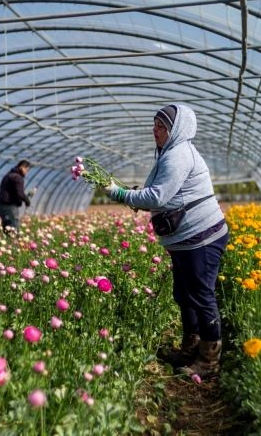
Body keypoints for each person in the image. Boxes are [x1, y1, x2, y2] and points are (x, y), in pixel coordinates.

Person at [106, 104, 229, 378]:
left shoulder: (178, 156)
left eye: (161, 126)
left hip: (202, 238)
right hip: (186, 239)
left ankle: (209, 361)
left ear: (176, 130)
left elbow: (157, 197)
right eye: (154, 125)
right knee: (184, 294)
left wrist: (120, 194)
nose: (155, 131)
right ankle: (191, 347)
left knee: (200, 295)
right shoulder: (168, 154)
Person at [0, 160, 35, 234]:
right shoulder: (18, 177)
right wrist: (27, 201)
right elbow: (20, 193)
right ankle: (14, 242)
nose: (26, 172)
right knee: (14, 226)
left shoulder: (8, 175)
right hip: (10, 205)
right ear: (22, 167)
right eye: (26, 170)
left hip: (1, 204)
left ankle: (8, 241)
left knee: (7, 226)